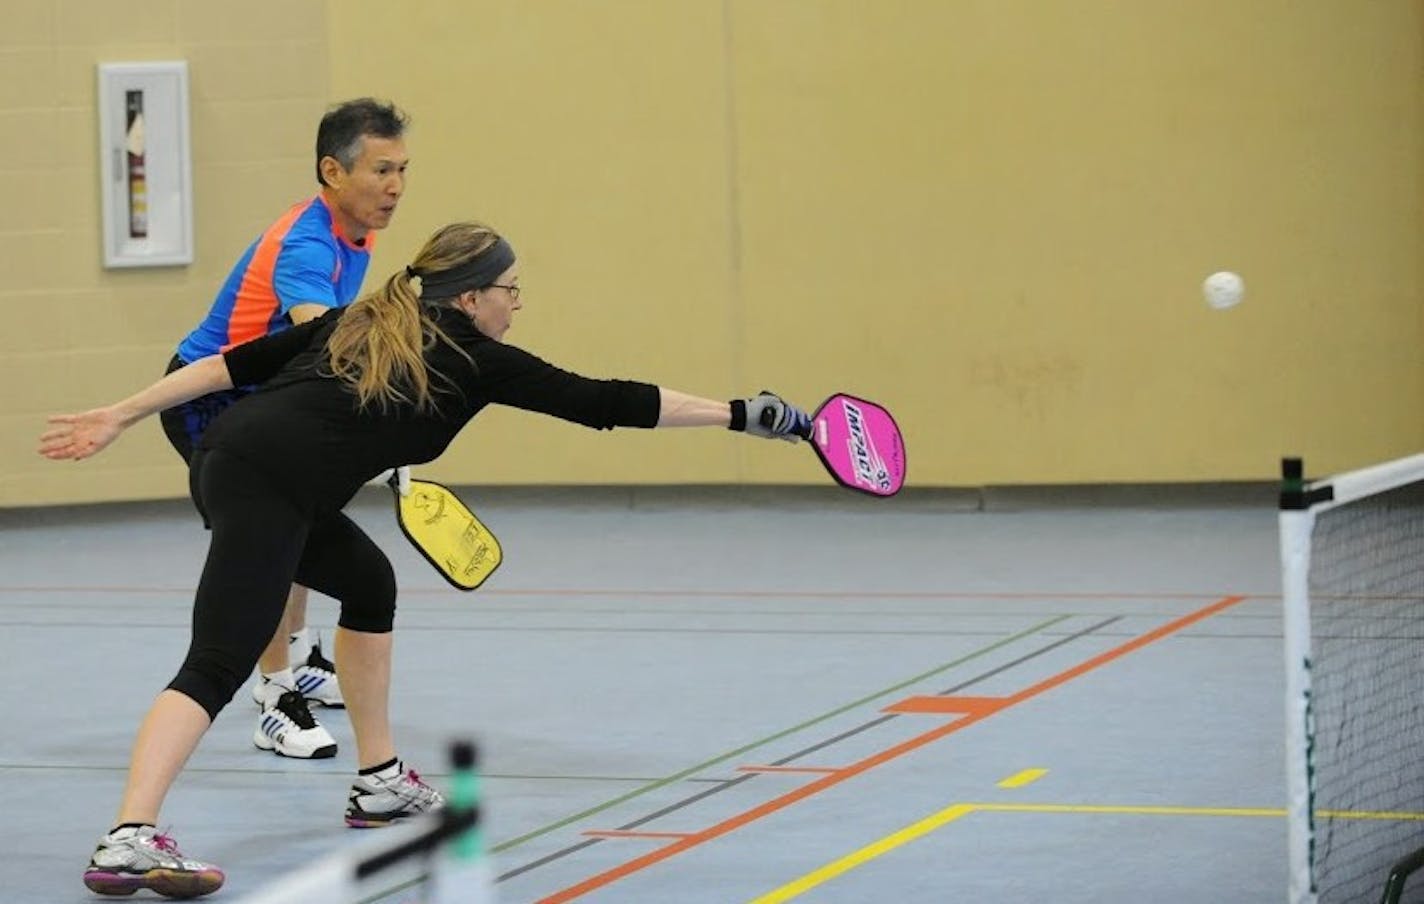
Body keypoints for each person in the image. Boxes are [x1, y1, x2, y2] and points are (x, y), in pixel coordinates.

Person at [40, 220, 811, 898]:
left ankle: (379, 782)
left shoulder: (364, 320)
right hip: (264, 482)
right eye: (511, 289)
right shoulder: (472, 354)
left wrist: (124, 412)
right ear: (472, 297)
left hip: (244, 465)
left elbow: (230, 369)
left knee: (369, 585)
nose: (516, 303)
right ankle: (129, 836)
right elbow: (607, 401)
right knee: (219, 660)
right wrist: (740, 415)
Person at [160, 97, 411, 760]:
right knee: (275, 531)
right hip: (210, 402)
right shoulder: (304, 247)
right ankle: (273, 696)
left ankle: (294, 656)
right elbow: (327, 344)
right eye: (381, 171)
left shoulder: (356, 228)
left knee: (302, 520)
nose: (395, 188)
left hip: (269, 397)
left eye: (402, 171)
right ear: (332, 170)